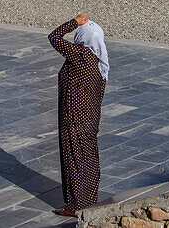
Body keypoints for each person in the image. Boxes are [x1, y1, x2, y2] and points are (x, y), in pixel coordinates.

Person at [48, 13, 109, 218]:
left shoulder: (81, 54)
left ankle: (75, 206)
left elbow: (54, 37)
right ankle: (89, 200)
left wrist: (74, 22)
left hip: (74, 120)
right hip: (90, 120)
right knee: (89, 160)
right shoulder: (99, 63)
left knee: (74, 161)